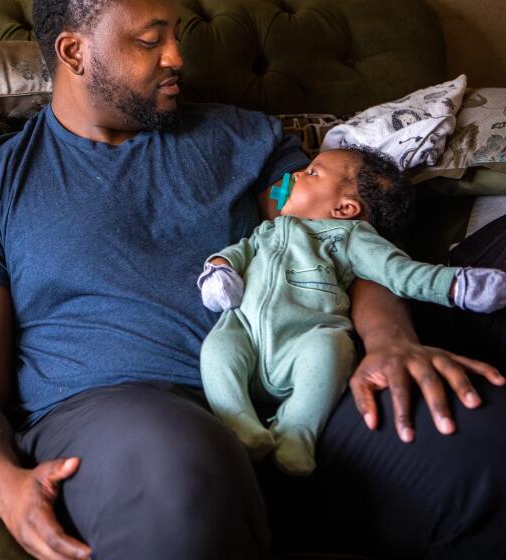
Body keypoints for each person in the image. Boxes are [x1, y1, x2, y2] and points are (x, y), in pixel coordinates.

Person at [0, 0, 506, 558]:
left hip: (296, 390)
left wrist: (389, 342)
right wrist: (6, 490)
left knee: (481, 442)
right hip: (123, 413)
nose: (177, 56)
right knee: (182, 466)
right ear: (74, 53)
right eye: (151, 41)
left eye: (177, 34)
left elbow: (338, 239)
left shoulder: (241, 140)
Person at [197, 147, 506, 475]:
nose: (297, 175)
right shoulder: (267, 231)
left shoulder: (349, 237)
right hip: (244, 329)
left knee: (332, 349)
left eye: (313, 173)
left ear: (345, 208)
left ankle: (297, 432)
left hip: (306, 340)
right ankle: (240, 427)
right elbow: (238, 253)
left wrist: (456, 285)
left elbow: (397, 272)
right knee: (217, 348)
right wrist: (219, 270)